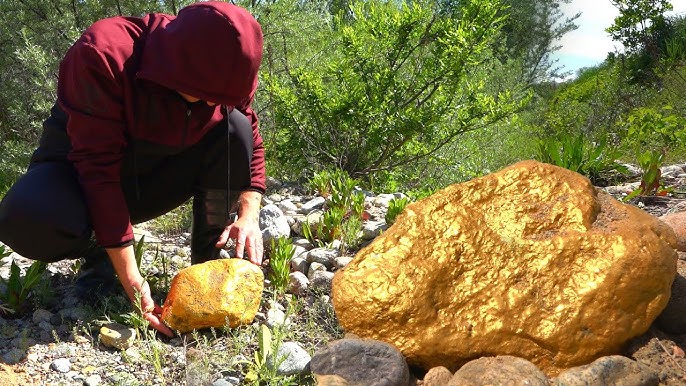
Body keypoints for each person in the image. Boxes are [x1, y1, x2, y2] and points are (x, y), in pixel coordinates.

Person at [0, 1, 266, 337]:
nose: (214, 103)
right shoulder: (104, 54)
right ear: (177, 66)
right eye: (205, 95)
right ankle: (101, 253)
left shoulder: (224, 69)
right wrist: (131, 279)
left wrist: (248, 214)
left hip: (151, 177)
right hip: (76, 175)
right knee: (25, 216)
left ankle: (208, 266)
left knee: (235, 128)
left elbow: (249, 137)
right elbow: (97, 170)